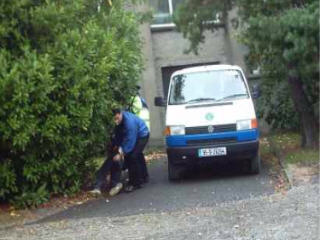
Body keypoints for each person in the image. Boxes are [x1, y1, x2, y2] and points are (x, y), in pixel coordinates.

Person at [113, 109, 149, 192]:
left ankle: (135, 183)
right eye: (114, 119)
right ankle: (144, 176)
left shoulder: (129, 123)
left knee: (132, 156)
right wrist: (116, 145)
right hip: (134, 136)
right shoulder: (121, 120)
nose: (116, 121)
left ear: (121, 113)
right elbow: (119, 135)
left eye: (117, 118)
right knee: (137, 155)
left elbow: (130, 140)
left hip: (142, 135)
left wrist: (121, 153)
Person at [89, 130, 124, 196]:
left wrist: (119, 154)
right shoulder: (118, 138)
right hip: (118, 158)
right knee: (113, 165)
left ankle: (98, 187)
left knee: (106, 167)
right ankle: (115, 185)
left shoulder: (121, 139)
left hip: (120, 157)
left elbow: (122, 148)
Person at [128, 86, 150, 183]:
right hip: (144, 131)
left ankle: (139, 178)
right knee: (139, 154)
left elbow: (133, 114)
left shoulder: (134, 101)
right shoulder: (141, 100)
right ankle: (144, 176)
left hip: (140, 132)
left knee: (134, 155)